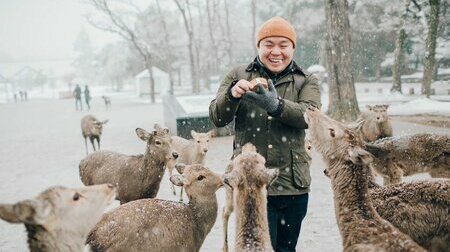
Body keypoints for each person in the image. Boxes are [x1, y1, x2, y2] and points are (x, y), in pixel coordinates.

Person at [209, 17, 321, 252]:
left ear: (293, 48)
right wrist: (232, 96)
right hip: (250, 185)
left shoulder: (305, 80)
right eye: (269, 44)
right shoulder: (238, 74)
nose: (276, 51)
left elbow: (310, 117)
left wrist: (277, 106)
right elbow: (217, 117)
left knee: (285, 249)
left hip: (293, 185)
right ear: (258, 46)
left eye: (283, 45)